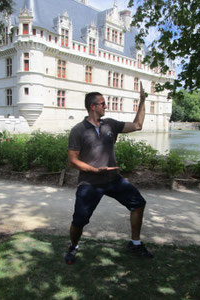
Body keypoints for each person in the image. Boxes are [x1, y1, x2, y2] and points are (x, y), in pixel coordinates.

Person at [65, 82, 153, 264]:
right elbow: (73, 160)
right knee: (79, 220)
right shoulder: (78, 130)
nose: (106, 106)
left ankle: (135, 243)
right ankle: (73, 247)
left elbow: (137, 125)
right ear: (93, 106)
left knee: (138, 204)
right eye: (103, 103)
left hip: (113, 180)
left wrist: (142, 100)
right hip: (90, 183)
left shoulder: (110, 125)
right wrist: (95, 170)